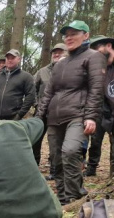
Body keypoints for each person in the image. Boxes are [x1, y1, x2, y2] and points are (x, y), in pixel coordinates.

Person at [36, 20, 105, 204]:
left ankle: (74, 196)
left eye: (74, 33)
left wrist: (91, 116)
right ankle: (63, 197)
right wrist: (38, 117)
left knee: (71, 151)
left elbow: (96, 88)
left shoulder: (93, 57)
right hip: (54, 117)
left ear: (86, 36)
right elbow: (49, 92)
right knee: (56, 159)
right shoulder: (60, 64)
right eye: (66, 35)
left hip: (78, 115)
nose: (69, 37)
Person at [34, 43, 67, 171]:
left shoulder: (69, 70)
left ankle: (55, 168)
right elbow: (33, 90)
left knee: (56, 142)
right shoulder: (42, 71)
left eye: (60, 52)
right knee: (36, 140)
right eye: (54, 52)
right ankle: (34, 165)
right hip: (41, 112)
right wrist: (37, 104)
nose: (56, 54)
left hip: (59, 113)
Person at [85, 35, 114, 177]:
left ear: (109, 46)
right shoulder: (97, 68)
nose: (96, 53)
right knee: (95, 142)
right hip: (100, 111)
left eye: (98, 48)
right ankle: (91, 168)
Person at [0, 49, 36, 120]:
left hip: (13, 118)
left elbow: (30, 96)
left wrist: (20, 115)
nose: (10, 60)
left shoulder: (26, 77)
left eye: (12, 58)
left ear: (19, 59)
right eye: (8, 58)